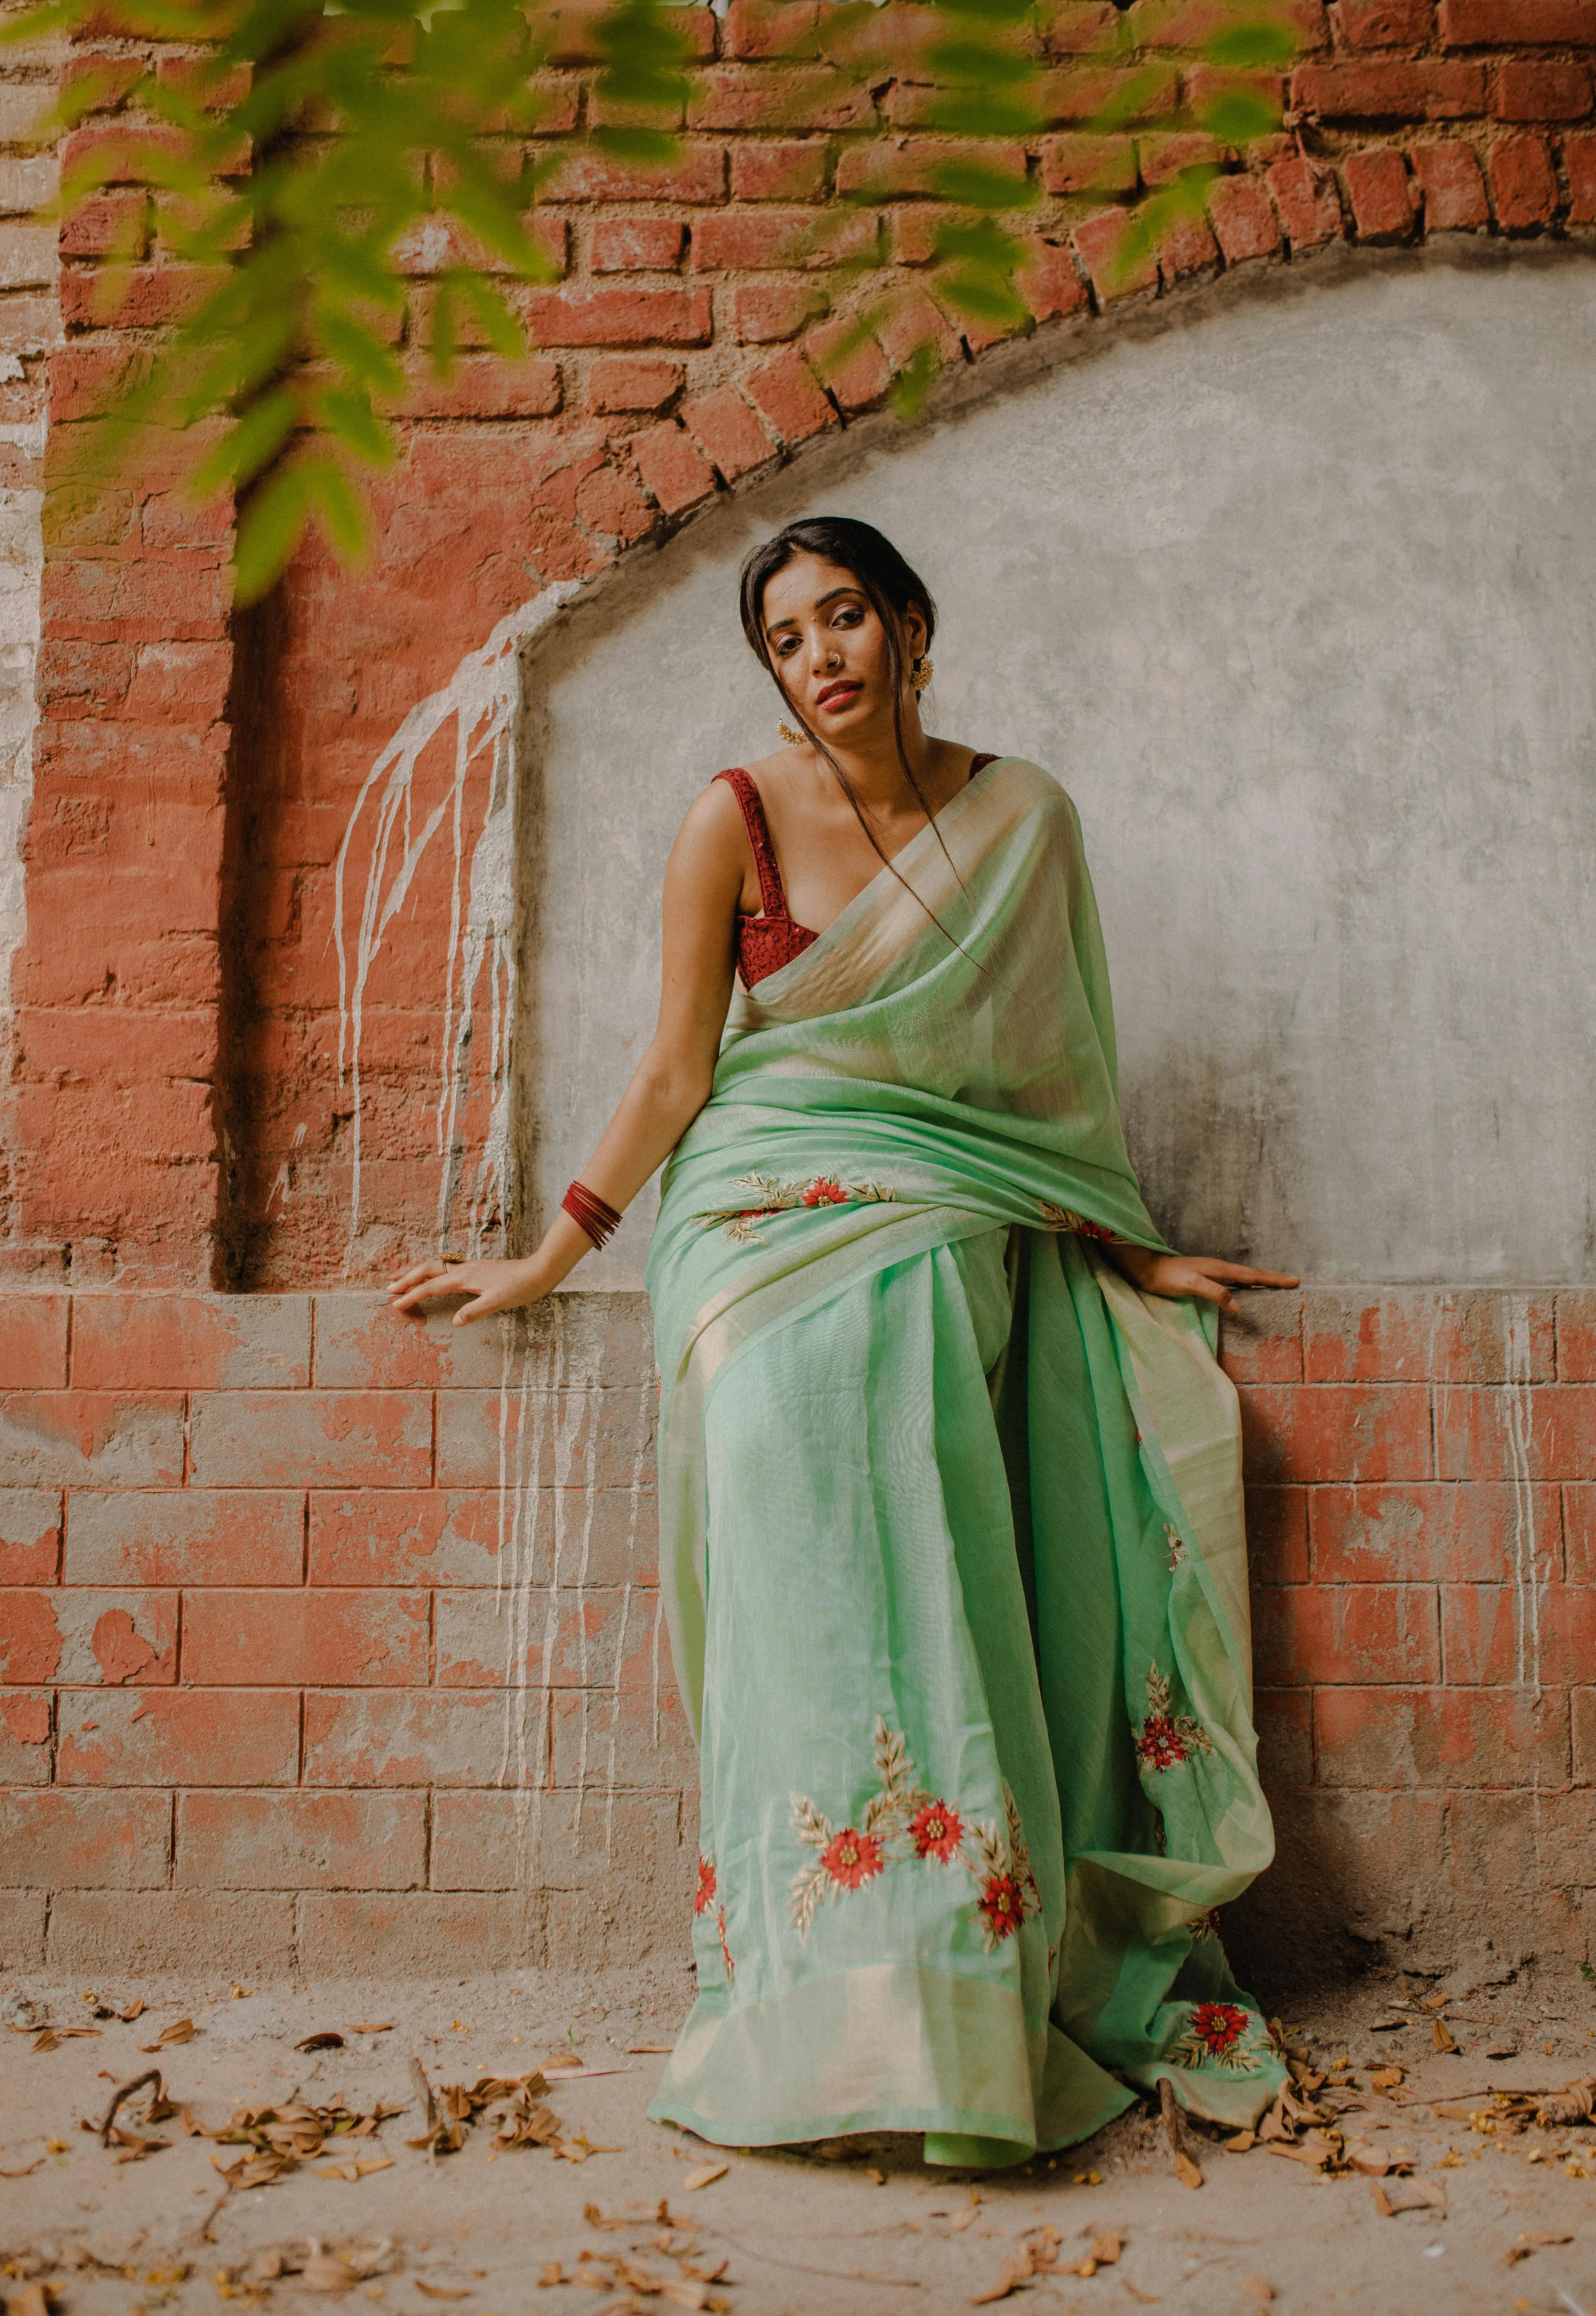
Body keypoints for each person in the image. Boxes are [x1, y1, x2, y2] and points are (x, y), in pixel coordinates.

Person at [389, 515, 1299, 2168]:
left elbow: (1046, 1093)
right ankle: (807, 1987)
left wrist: (1128, 1249)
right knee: (785, 1466)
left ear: (912, 624)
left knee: (932, 1422)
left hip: (947, 1205)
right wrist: (545, 1258)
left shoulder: (1022, 822)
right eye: (788, 641)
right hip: (749, 1212)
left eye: (845, 619)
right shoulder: (729, 820)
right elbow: (677, 1070)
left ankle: (952, 1979)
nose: (821, 660)